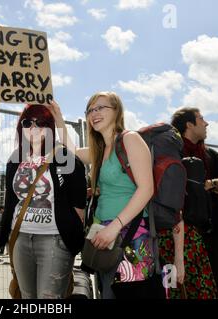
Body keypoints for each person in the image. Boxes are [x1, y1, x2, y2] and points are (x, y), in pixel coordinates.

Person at [47, 93, 161, 299]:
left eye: (101, 108)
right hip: (102, 236)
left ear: (116, 111)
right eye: (90, 110)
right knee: (107, 292)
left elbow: (146, 189)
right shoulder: (100, 149)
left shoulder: (130, 139)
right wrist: (58, 117)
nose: (94, 113)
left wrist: (114, 226)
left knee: (130, 294)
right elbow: (71, 151)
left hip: (129, 235)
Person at [0, 104, 87, 299]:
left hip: (54, 239)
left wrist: (60, 120)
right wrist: (5, 235)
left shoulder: (61, 155)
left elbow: (78, 189)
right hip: (20, 238)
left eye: (42, 123)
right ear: (22, 127)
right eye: (28, 122)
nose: (34, 128)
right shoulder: (15, 158)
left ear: (50, 127)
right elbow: (11, 201)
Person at [171, 107, 218, 298]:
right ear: (189, 125)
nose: (206, 123)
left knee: (215, 286)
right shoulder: (172, 153)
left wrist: (210, 184)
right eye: (201, 119)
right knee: (185, 289)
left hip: (213, 233)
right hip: (182, 235)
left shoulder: (210, 154)